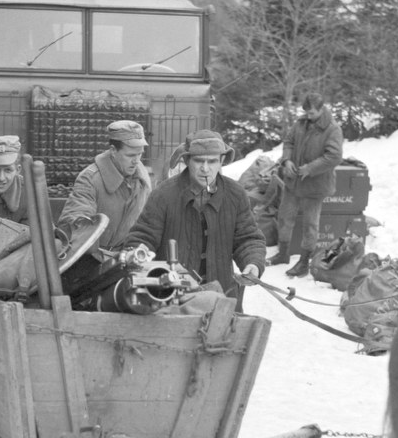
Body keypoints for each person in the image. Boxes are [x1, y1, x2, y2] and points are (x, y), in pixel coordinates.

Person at [125, 129, 265, 309]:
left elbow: (248, 238)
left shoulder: (235, 194)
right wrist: (138, 253)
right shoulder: (164, 194)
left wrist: (252, 263)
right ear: (186, 160)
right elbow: (142, 237)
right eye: (199, 161)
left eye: (212, 161)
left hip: (222, 296)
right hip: (172, 298)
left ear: (222, 161)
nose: (205, 169)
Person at [268, 92, 343, 277]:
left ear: (321, 109)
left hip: (315, 185)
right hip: (293, 182)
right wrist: (286, 161)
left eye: (311, 114)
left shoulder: (333, 129)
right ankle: (283, 254)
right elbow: (288, 142)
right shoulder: (301, 123)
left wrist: (310, 168)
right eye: (306, 113)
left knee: (310, 224)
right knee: (285, 217)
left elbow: (334, 156)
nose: (307, 117)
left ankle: (303, 263)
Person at [58, 120, 152, 249]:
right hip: (93, 258)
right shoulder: (90, 179)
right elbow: (74, 220)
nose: (136, 161)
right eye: (130, 155)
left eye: (140, 154)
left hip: (128, 254)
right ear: (113, 150)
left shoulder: (142, 178)